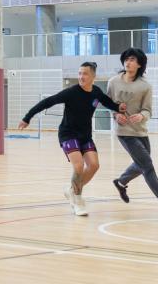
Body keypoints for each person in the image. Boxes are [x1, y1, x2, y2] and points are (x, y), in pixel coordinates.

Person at [17, 61, 126, 216]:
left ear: (93, 76)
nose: (81, 76)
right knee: (79, 166)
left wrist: (118, 107)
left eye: (85, 73)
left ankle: (71, 189)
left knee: (94, 165)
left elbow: (107, 102)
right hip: (68, 134)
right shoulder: (71, 92)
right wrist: (27, 117)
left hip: (85, 135)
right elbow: (47, 102)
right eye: (80, 73)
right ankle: (77, 200)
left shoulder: (96, 92)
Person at [108, 48, 158, 216]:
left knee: (142, 164)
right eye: (126, 59)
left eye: (132, 59)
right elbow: (108, 104)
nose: (128, 62)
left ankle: (121, 182)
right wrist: (115, 114)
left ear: (140, 64)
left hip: (141, 131)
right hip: (124, 132)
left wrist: (142, 116)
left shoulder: (145, 86)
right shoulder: (113, 82)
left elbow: (148, 110)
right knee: (147, 166)